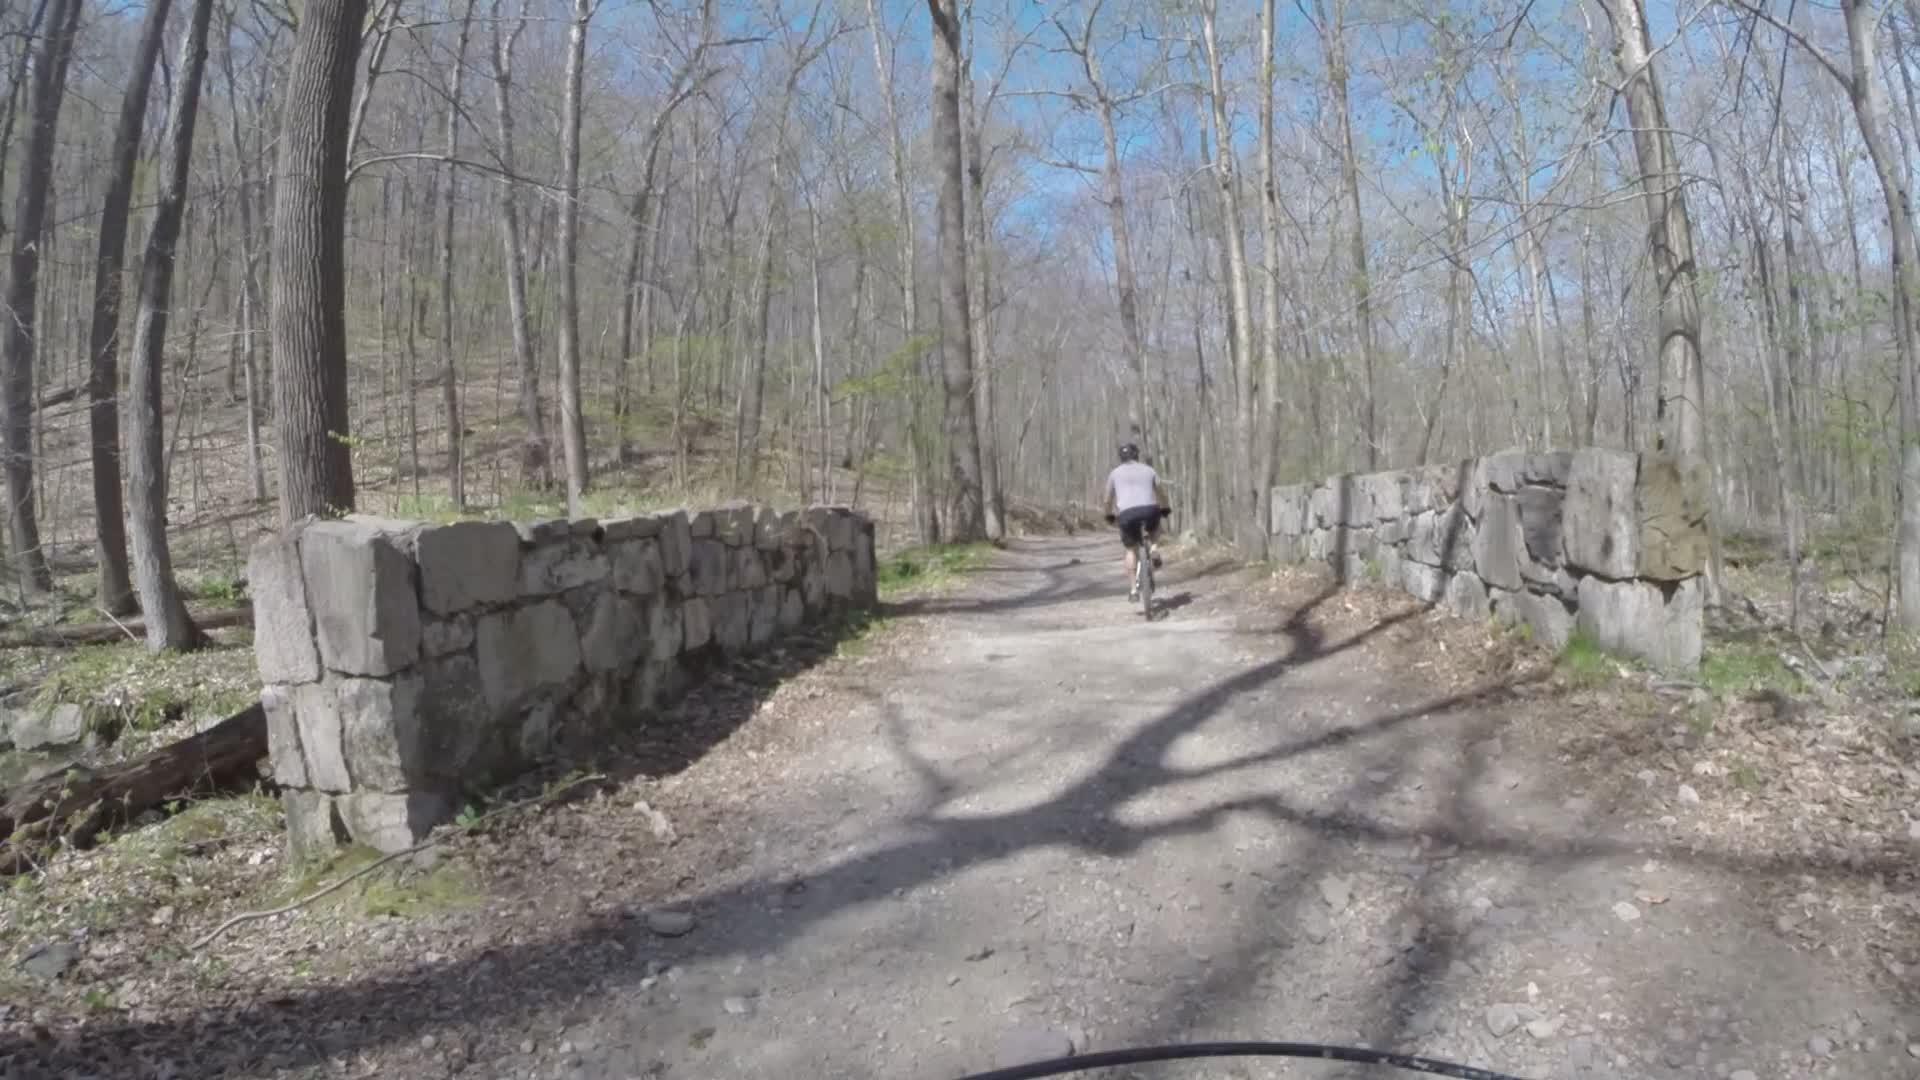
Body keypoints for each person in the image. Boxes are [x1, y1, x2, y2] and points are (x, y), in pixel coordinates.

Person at [1102, 442, 1171, 602]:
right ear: (1136, 455)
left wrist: (1108, 514)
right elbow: (1161, 492)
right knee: (1155, 527)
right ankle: (1154, 548)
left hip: (1126, 514)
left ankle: (1133, 590)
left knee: (1130, 550)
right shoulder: (1149, 470)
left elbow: (1107, 499)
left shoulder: (1114, 473)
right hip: (1148, 510)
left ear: (1121, 457)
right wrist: (1165, 507)